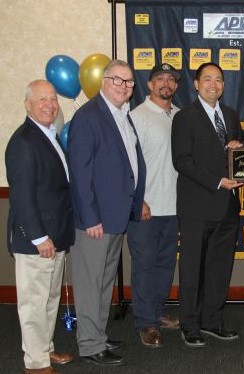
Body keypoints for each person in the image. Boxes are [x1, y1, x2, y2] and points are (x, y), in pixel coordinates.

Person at [68, 60, 146, 366]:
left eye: (128, 82)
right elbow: (80, 173)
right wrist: (90, 219)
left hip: (116, 216)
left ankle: (97, 334)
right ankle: (89, 345)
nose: (124, 86)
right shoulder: (88, 117)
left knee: (103, 282)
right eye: (117, 80)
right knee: (90, 283)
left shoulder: (121, 115)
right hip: (95, 222)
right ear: (103, 81)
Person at [171, 62, 243, 348]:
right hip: (197, 206)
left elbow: (240, 155)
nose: (214, 84)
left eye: (219, 80)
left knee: (219, 268)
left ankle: (213, 321)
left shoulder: (231, 115)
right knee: (192, 268)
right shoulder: (185, 117)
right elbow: (182, 161)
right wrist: (218, 181)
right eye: (208, 79)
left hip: (227, 208)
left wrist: (240, 146)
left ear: (224, 86)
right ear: (196, 84)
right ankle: (190, 324)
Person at [5, 80, 75, 374]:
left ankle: (44, 350)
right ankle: (35, 364)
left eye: (53, 99)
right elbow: (21, 196)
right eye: (42, 99)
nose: (49, 104)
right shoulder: (23, 141)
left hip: (54, 236)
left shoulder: (48, 135)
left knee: (49, 299)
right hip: (37, 241)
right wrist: (39, 236)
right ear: (28, 105)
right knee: (34, 304)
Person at [127, 63, 182, 348]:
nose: (166, 83)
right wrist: (139, 200)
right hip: (146, 209)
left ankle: (157, 312)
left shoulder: (180, 116)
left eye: (171, 79)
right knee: (145, 266)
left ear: (176, 86)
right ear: (149, 85)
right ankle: (145, 323)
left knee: (163, 265)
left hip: (173, 207)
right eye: (160, 78)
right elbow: (128, 163)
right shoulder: (136, 116)